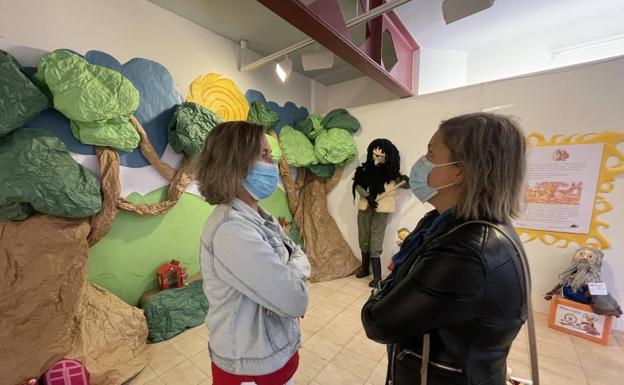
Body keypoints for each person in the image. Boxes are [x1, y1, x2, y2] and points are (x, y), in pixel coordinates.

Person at [361, 113, 529, 385]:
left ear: (460, 170)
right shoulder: (442, 223)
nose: (421, 163)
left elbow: (378, 322)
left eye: (430, 153)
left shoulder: (465, 250)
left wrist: (377, 293)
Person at [195, 121, 311, 385]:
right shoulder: (231, 230)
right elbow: (295, 298)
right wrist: (295, 274)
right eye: (264, 155)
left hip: (273, 357)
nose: (272, 164)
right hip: (250, 371)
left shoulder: (258, 215)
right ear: (235, 164)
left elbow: (297, 254)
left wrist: (290, 270)